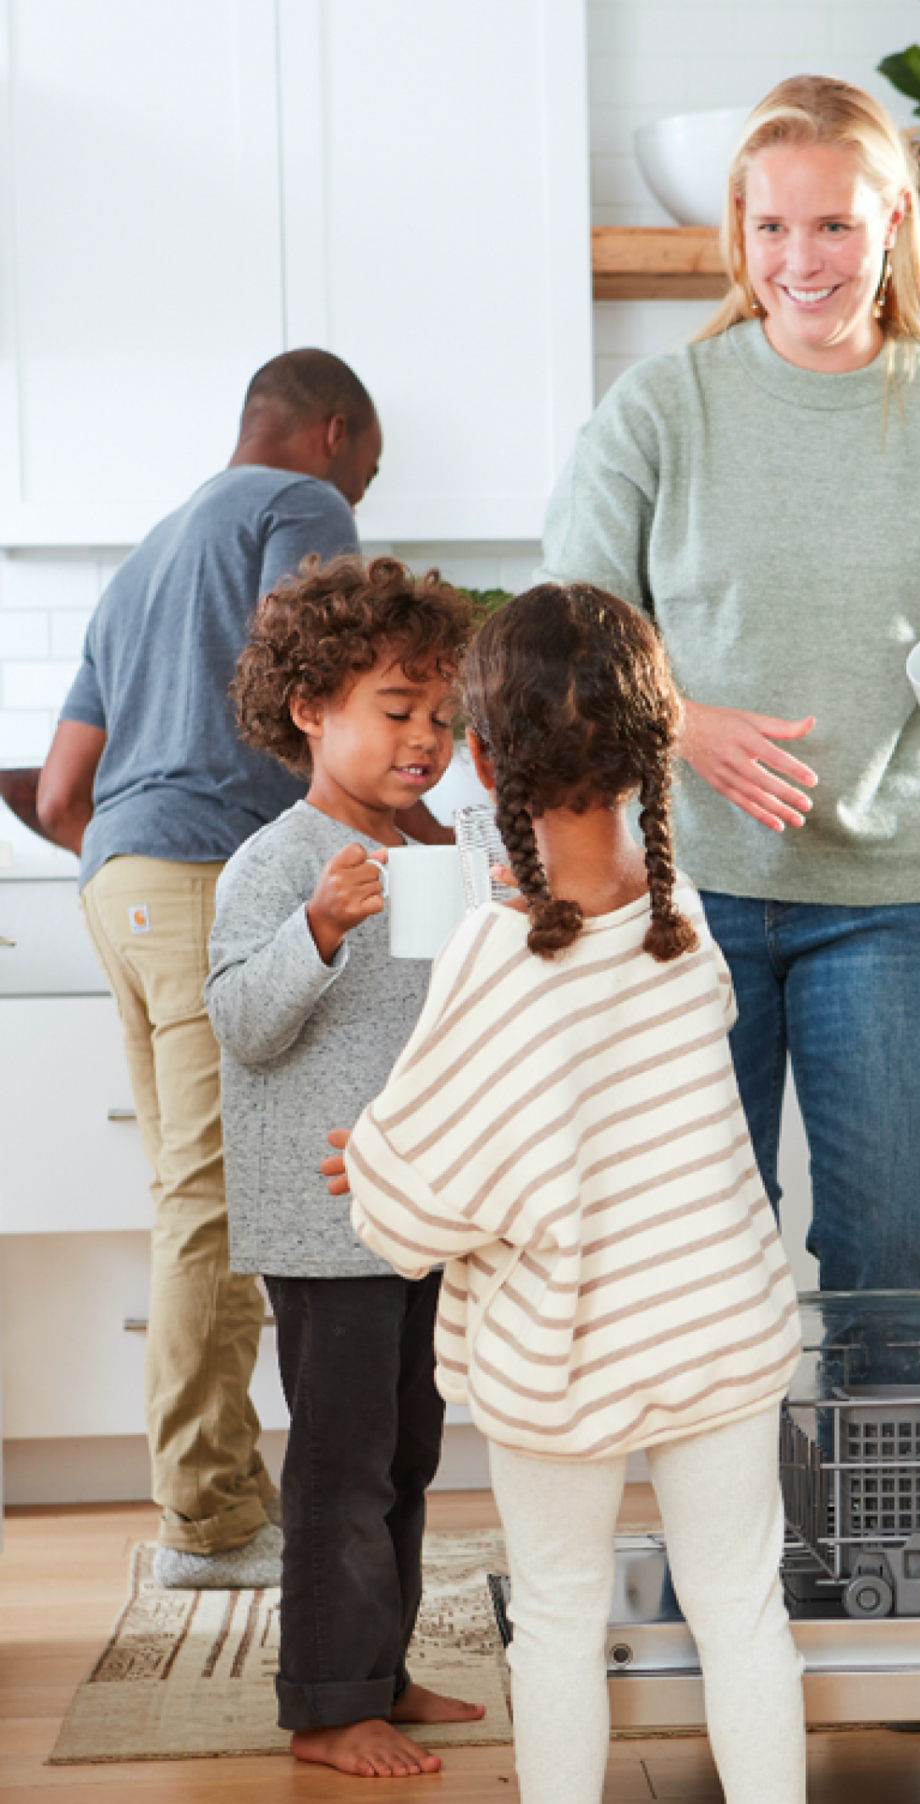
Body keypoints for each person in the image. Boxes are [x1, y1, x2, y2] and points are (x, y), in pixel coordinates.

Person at [538, 75, 920, 1295]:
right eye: (771, 227)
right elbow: (563, 636)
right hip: (683, 893)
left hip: (891, 896)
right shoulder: (662, 408)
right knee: (703, 1257)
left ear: (892, 225)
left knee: (884, 1249)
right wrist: (680, 720)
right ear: (739, 232)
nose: (801, 258)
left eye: (833, 224)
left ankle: (866, 1498)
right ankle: (743, 1501)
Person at [338, 583, 806, 1804]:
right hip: (716, 1327)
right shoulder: (683, 922)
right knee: (743, 1608)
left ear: (483, 757)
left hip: (564, 1354)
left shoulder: (492, 960)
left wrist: (374, 1161)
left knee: (552, 1621)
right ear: (657, 752)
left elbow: (414, 1202)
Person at [34, 349, 445, 1588]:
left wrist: (147, 865)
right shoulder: (301, 505)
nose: (360, 495)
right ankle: (209, 1526)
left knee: (188, 1197)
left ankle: (209, 1502)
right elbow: (306, 678)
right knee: (225, 1204)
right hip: (212, 875)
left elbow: (61, 792)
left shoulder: (145, 555)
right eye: (370, 469)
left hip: (117, 884)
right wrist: (402, 832)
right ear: (333, 434)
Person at [204, 555, 484, 1779]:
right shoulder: (277, 860)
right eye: (395, 709)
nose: (425, 738)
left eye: (442, 717)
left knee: (407, 1449)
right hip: (326, 1223)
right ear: (311, 706)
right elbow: (241, 1023)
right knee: (340, 1458)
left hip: (411, 1206)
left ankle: (377, 1666)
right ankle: (326, 1703)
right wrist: (316, 927)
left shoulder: (434, 847)